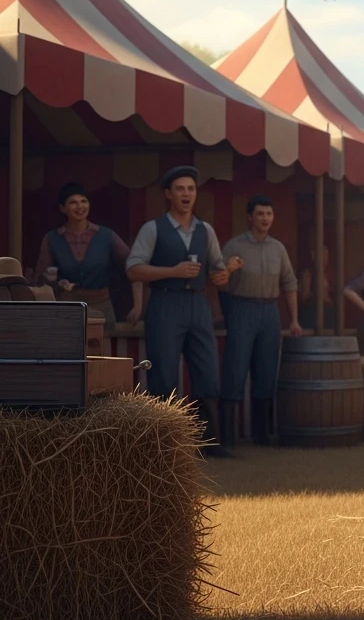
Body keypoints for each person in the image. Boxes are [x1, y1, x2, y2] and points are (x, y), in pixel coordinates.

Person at [126, 166, 239, 457]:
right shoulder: (153, 228)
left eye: (191, 189)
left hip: (198, 304)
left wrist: (224, 274)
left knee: (207, 371)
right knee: (163, 374)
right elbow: (133, 269)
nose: (186, 194)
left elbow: (217, 270)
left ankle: (209, 442)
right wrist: (172, 271)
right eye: (180, 189)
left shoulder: (206, 230)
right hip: (165, 302)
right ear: (168, 194)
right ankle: (162, 446)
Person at [220, 195, 302, 446]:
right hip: (242, 307)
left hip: (270, 311)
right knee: (235, 368)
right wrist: (228, 312)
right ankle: (227, 436)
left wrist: (294, 320)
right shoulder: (234, 246)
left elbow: (289, 283)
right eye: (260, 214)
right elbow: (219, 281)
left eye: (269, 214)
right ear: (250, 216)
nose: (265, 219)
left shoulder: (278, 248)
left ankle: (262, 435)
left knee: (266, 370)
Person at [34, 183, 142, 331]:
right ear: (63, 208)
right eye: (73, 202)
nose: (80, 206)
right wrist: (57, 282)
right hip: (67, 307)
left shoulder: (106, 235)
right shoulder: (52, 238)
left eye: (83, 201)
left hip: (101, 306)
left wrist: (137, 306)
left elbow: (134, 267)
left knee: (103, 351)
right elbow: (41, 278)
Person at [297, 246, 334, 332]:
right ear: (314, 256)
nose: (325, 258)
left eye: (326, 255)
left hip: (327, 314)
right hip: (313, 313)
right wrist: (317, 295)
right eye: (323, 254)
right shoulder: (308, 274)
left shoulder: (326, 273)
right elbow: (304, 297)